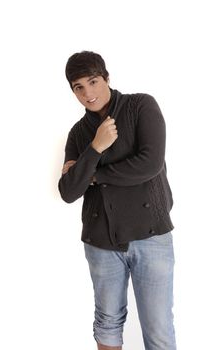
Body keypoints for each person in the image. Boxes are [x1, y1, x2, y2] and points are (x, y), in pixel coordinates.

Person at [58, 51, 177, 350]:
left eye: (93, 82)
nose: (88, 93)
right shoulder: (78, 133)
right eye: (78, 87)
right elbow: (68, 191)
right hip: (100, 241)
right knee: (107, 322)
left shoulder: (141, 106)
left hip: (151, 234)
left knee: (158, 327)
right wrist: (95, 147)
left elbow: (150, 164)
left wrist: (92, 174)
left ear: (107, 78)